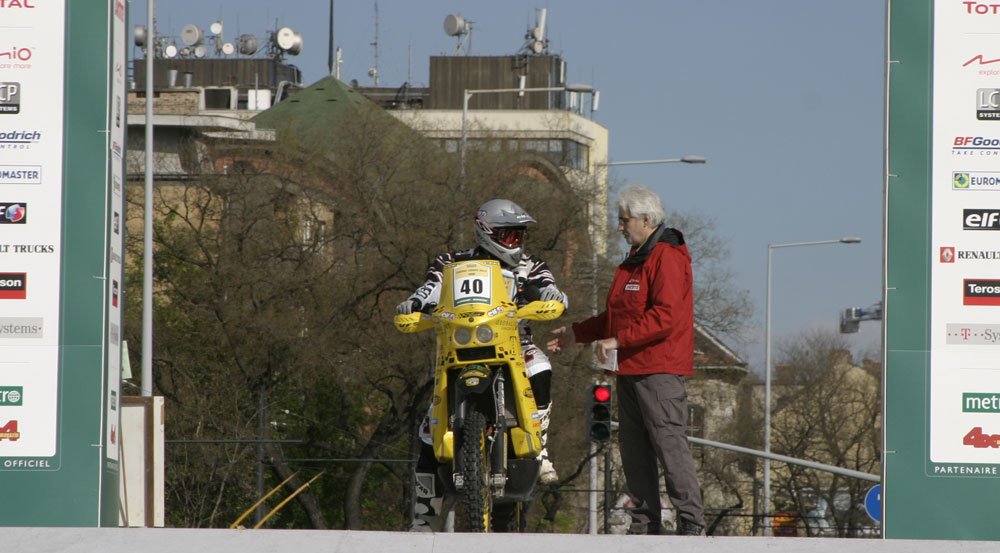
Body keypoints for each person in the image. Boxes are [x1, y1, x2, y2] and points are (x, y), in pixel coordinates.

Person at [397, 198, 568, 531]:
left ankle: (541, 446)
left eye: (519, 236)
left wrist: (552, 297)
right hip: (459, 348)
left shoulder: (531, 266)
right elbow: (430, 288)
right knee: (429, 430)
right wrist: (414, 303)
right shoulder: (452, 262)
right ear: (486, 232)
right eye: (508, 236)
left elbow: (553, 289)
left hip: (515, 346)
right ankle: (423, 519)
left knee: (541, 368)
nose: (515, 243)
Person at [546, 185, 705, 536]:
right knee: (633, 451)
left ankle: (691, 523)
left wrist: (619, 339)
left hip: (659, 370)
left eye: (624, 220)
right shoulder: (635, 259)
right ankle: (645, 526)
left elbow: (666, 316)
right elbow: (616, 317)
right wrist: (576, 333)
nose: (619, 227)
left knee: (668, 444)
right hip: (629, 369)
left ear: (646, 220)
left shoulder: (667, 256)